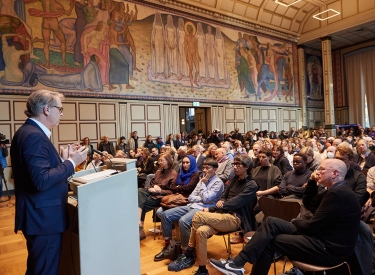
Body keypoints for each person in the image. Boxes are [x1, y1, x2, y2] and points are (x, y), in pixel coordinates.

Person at [210, 159, 361, 275]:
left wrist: (296, 221)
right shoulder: (334, 191)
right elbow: (309, 204)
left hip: (328, 249)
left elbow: (312, 226)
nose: (317, 171)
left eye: (321, 169)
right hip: (319, 238)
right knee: (270, 221)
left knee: (270, 241)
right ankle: (238, 264)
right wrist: (312, 182)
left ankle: (237, 264)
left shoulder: (338, 194)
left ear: (335, 174)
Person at [10, 90, 88, 275]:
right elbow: (42, 180)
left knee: (40, 268)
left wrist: (61, 161)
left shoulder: (29, 132)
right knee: (44, 270)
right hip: (43, 219)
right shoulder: (34, 136)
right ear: (47, 109)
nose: (61, 113)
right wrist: (72, 162)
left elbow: (40, 172)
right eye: (60, 109)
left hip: (41, 216)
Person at [167, 155, 258, 274]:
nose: (234, 167)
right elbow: (224, 195)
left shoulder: (252, 185)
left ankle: (188, 253)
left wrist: (213, 208)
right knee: (201, 232)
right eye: (234, 164)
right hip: (221, 216)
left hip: (235, 219)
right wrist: (222, 203)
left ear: (247, 167)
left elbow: (236, 203)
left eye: (238, 165)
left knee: (198, 215)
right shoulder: (235, 179)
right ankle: (202, 269)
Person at [138, 153, 177, 240]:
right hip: (152, 193)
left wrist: (160, 191)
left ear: (168, 161)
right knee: (139, 191)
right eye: (159, 160)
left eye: (162, 160)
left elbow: (172, 191)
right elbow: (152, 184)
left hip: (161, 196)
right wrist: (151, 188)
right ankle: (139, 226)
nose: (160, 162)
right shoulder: (158, 172)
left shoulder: (173, 174)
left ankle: (140, 230)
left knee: (141, 203)